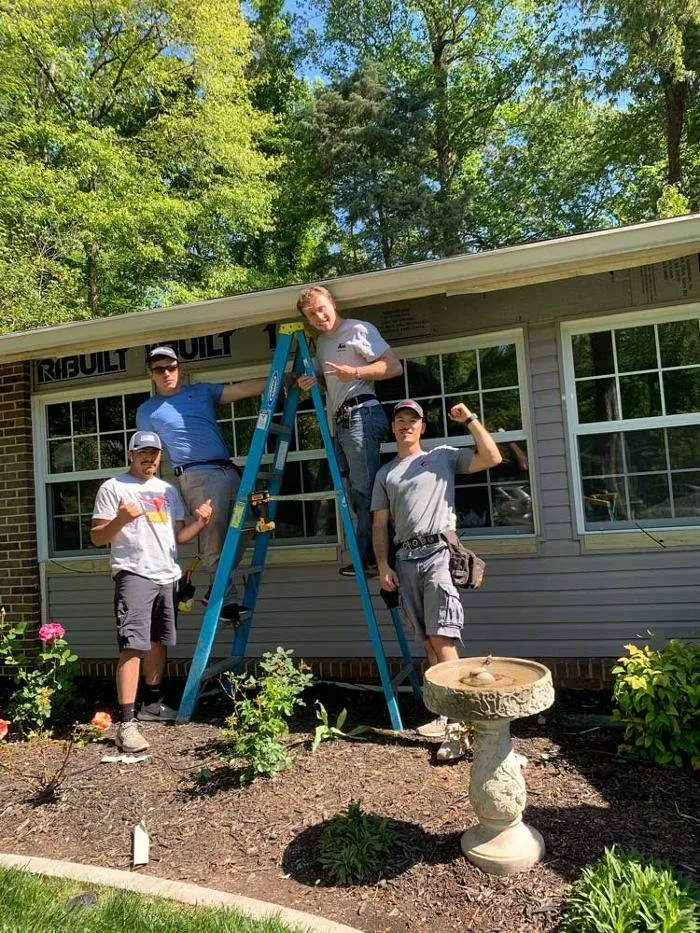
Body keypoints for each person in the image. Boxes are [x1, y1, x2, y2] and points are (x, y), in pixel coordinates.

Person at [371, 400, 502, 760]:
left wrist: (471, 420)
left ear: (422, 427)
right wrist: (383, 565)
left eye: (412, 421)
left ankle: (462, 727)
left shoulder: (443, 456)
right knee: (428, 644)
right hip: (405, 560)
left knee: (442, 637)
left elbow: (492, 458)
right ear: (393, 428)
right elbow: (380, 525)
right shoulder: (386, 474)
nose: (405, 426)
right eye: (399, 420)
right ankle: (449, 715)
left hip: (439, 554)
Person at [91, 430, 214, 753]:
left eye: (154, 453)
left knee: (158, 640)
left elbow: (178, 537)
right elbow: (97, 538)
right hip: (134, 574)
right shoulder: (113, 487)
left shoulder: (167, 491)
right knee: (133, 645)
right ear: (131, 454)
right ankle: (127, 724)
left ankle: (154, 704)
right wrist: (120, 518)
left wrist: (199, 523)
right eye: (142, 452)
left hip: (167, 575)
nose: (149, 458)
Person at [136, 346, 267, 622]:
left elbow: (241, 390)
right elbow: (150, 454)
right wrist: (159, 494)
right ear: (151, 373)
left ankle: (215, 592)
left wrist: (282, 379)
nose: (167, 373)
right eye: (159, 369)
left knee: (246, 527)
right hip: (196, 476)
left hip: (228, 470)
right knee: (213, 538)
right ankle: (225, 602)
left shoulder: (202, 392)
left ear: (179, 368)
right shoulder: (148, 410)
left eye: (171, 367)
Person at [296, 286, 403, 576]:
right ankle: (370, 557)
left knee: (366, 491)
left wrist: (354, 373)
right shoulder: (321, 342)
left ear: (332, 303)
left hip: (363, 414)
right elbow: (325, 377)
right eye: (311, 314)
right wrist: (310, 381)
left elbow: (393, 367)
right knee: (355, 492)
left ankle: (375, 559)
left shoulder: (358, 329)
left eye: (321, 308)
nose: (319, 316)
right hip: (342, 419)